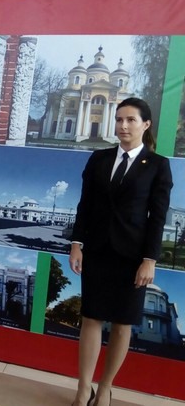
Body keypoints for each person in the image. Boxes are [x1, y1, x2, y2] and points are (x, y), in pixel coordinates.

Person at [68, 97, 172, 406]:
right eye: (119, 119)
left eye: (130, 120)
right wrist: (76, 243)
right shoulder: (99, 159)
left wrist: (149, 260)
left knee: (122, 324)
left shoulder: (158, 165)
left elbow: (158, 218)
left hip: (132, 258)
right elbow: (85, 205)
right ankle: (83, 389)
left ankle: (105, 389)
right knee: (91, 318)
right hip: (97, 251)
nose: (123, 126)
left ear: (146, 124)